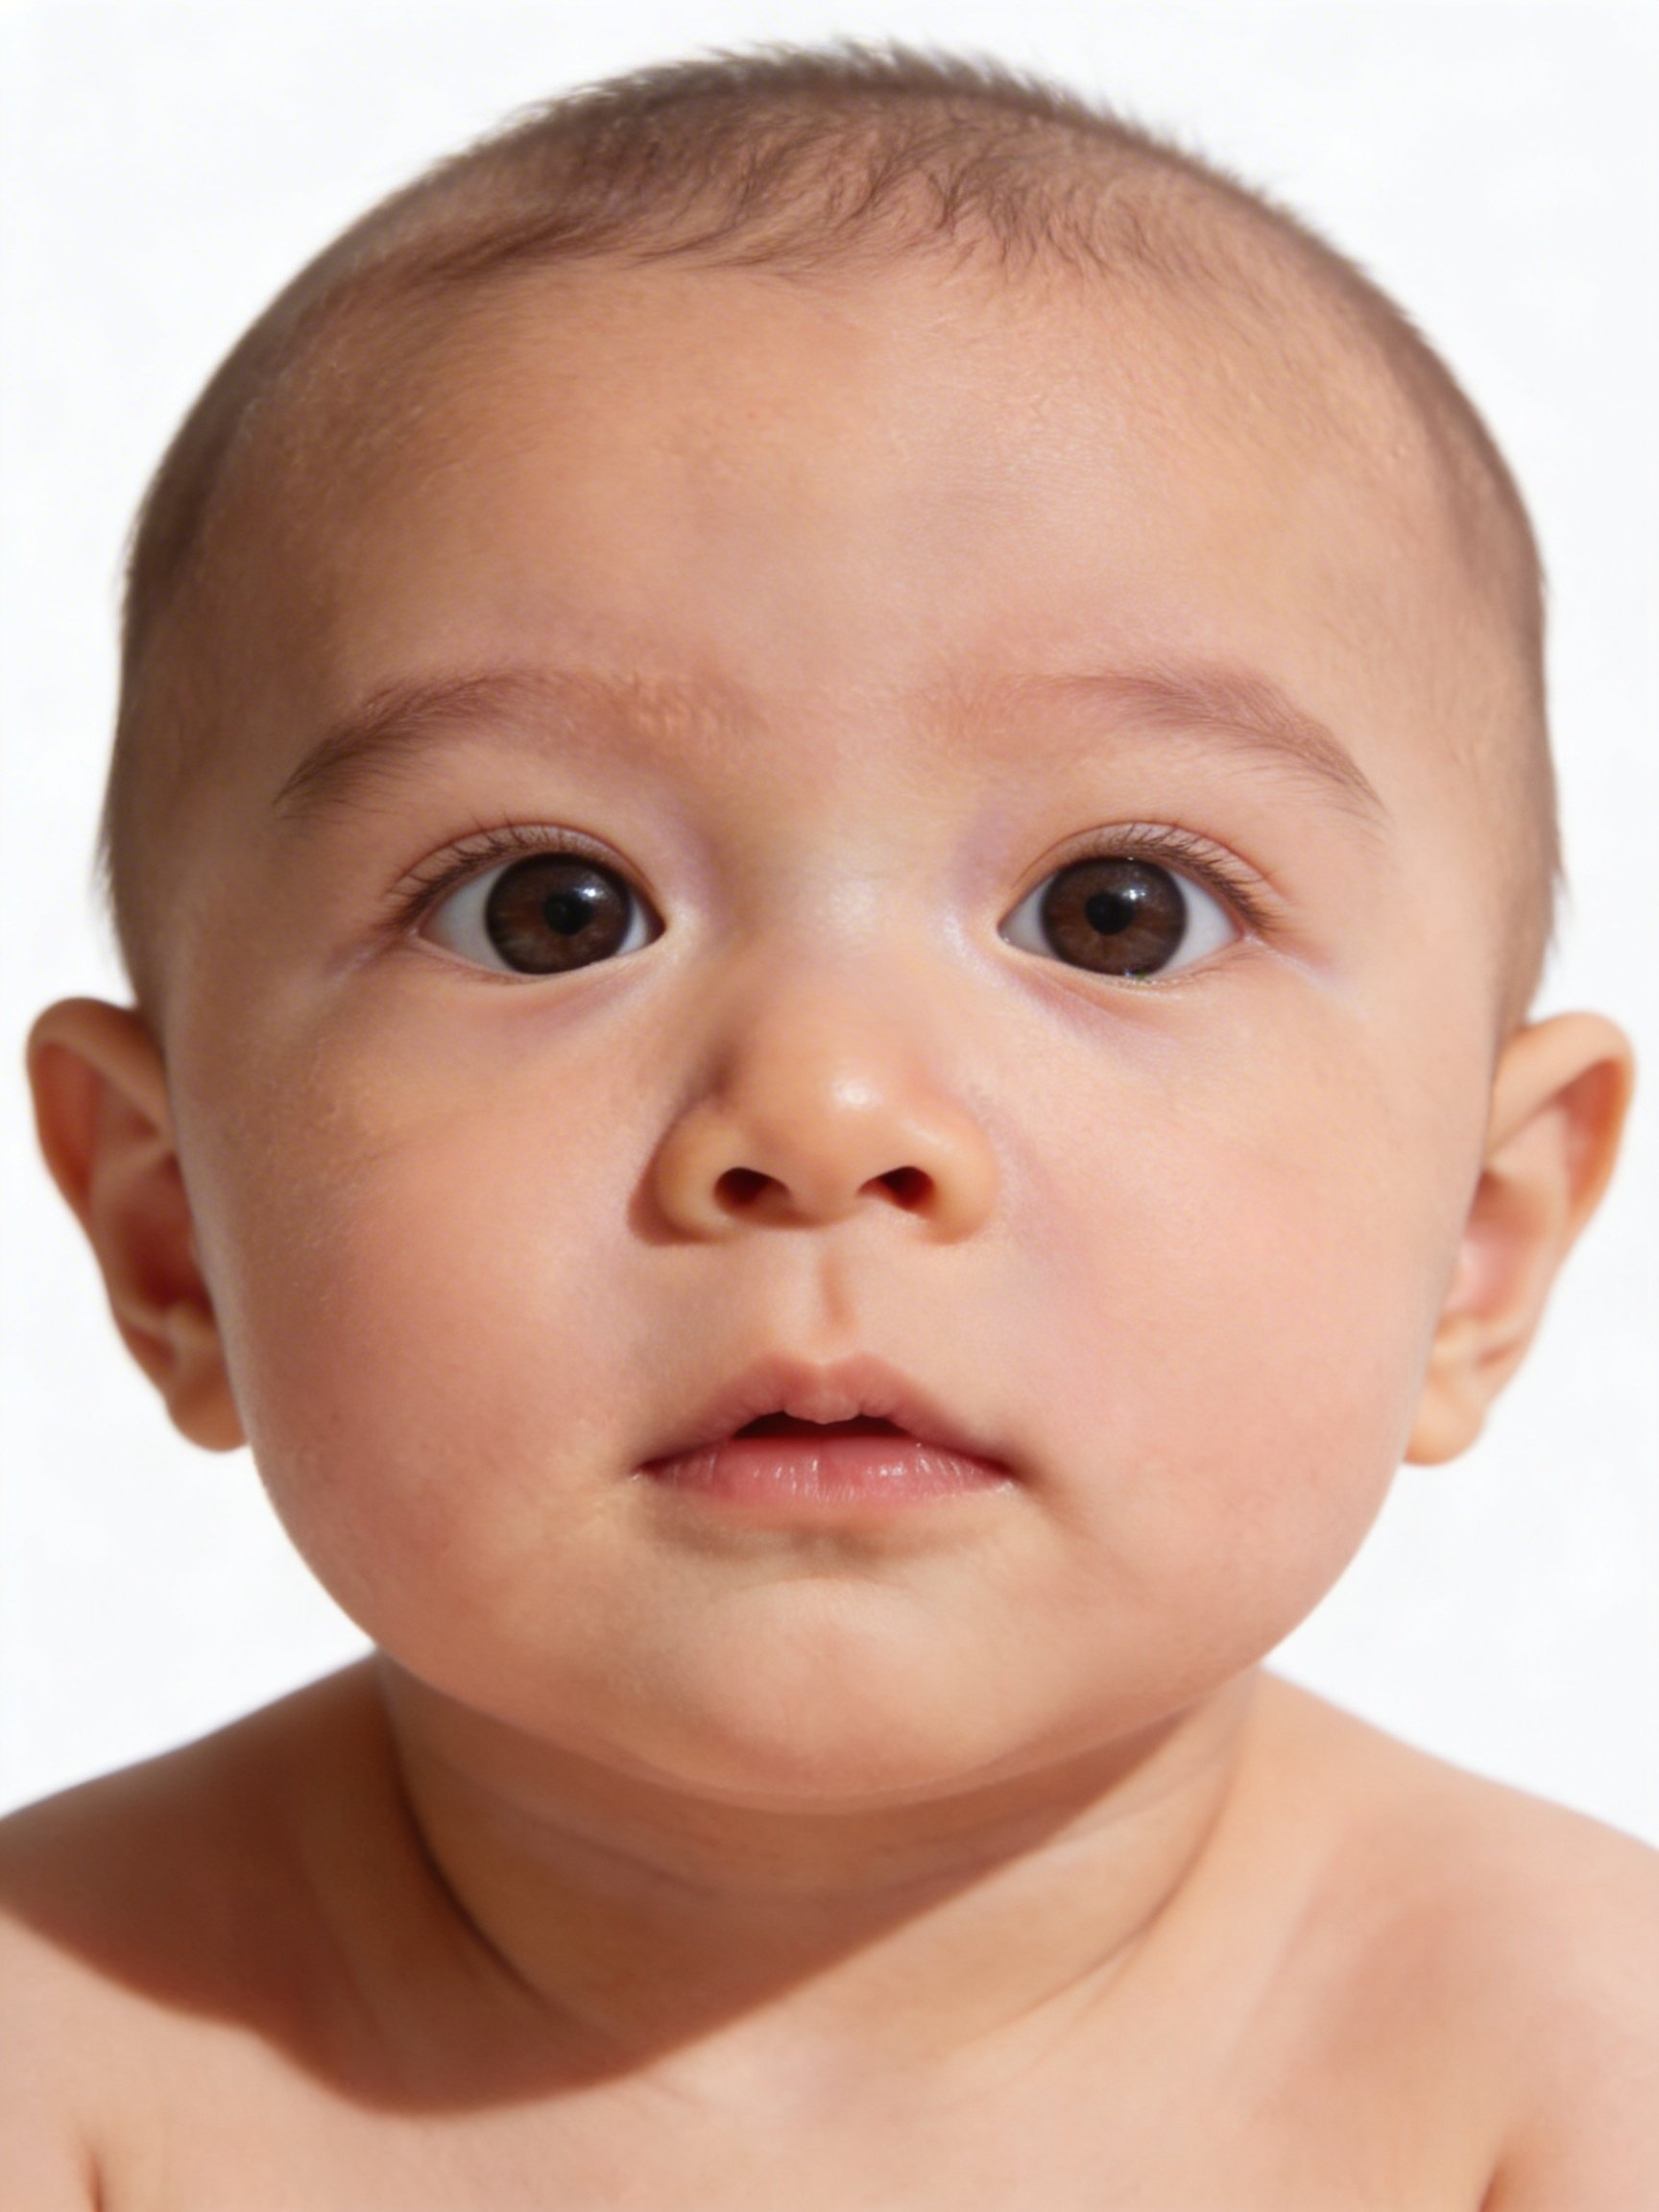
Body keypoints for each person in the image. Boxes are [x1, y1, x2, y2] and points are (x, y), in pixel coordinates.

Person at [4, 46, 1654, 2208]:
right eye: (547, 910)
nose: (828, 1115)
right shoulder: (71, 2052)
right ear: (170, 1236)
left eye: (1116, 915)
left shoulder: (1572, 2065)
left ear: (1483, 1242)